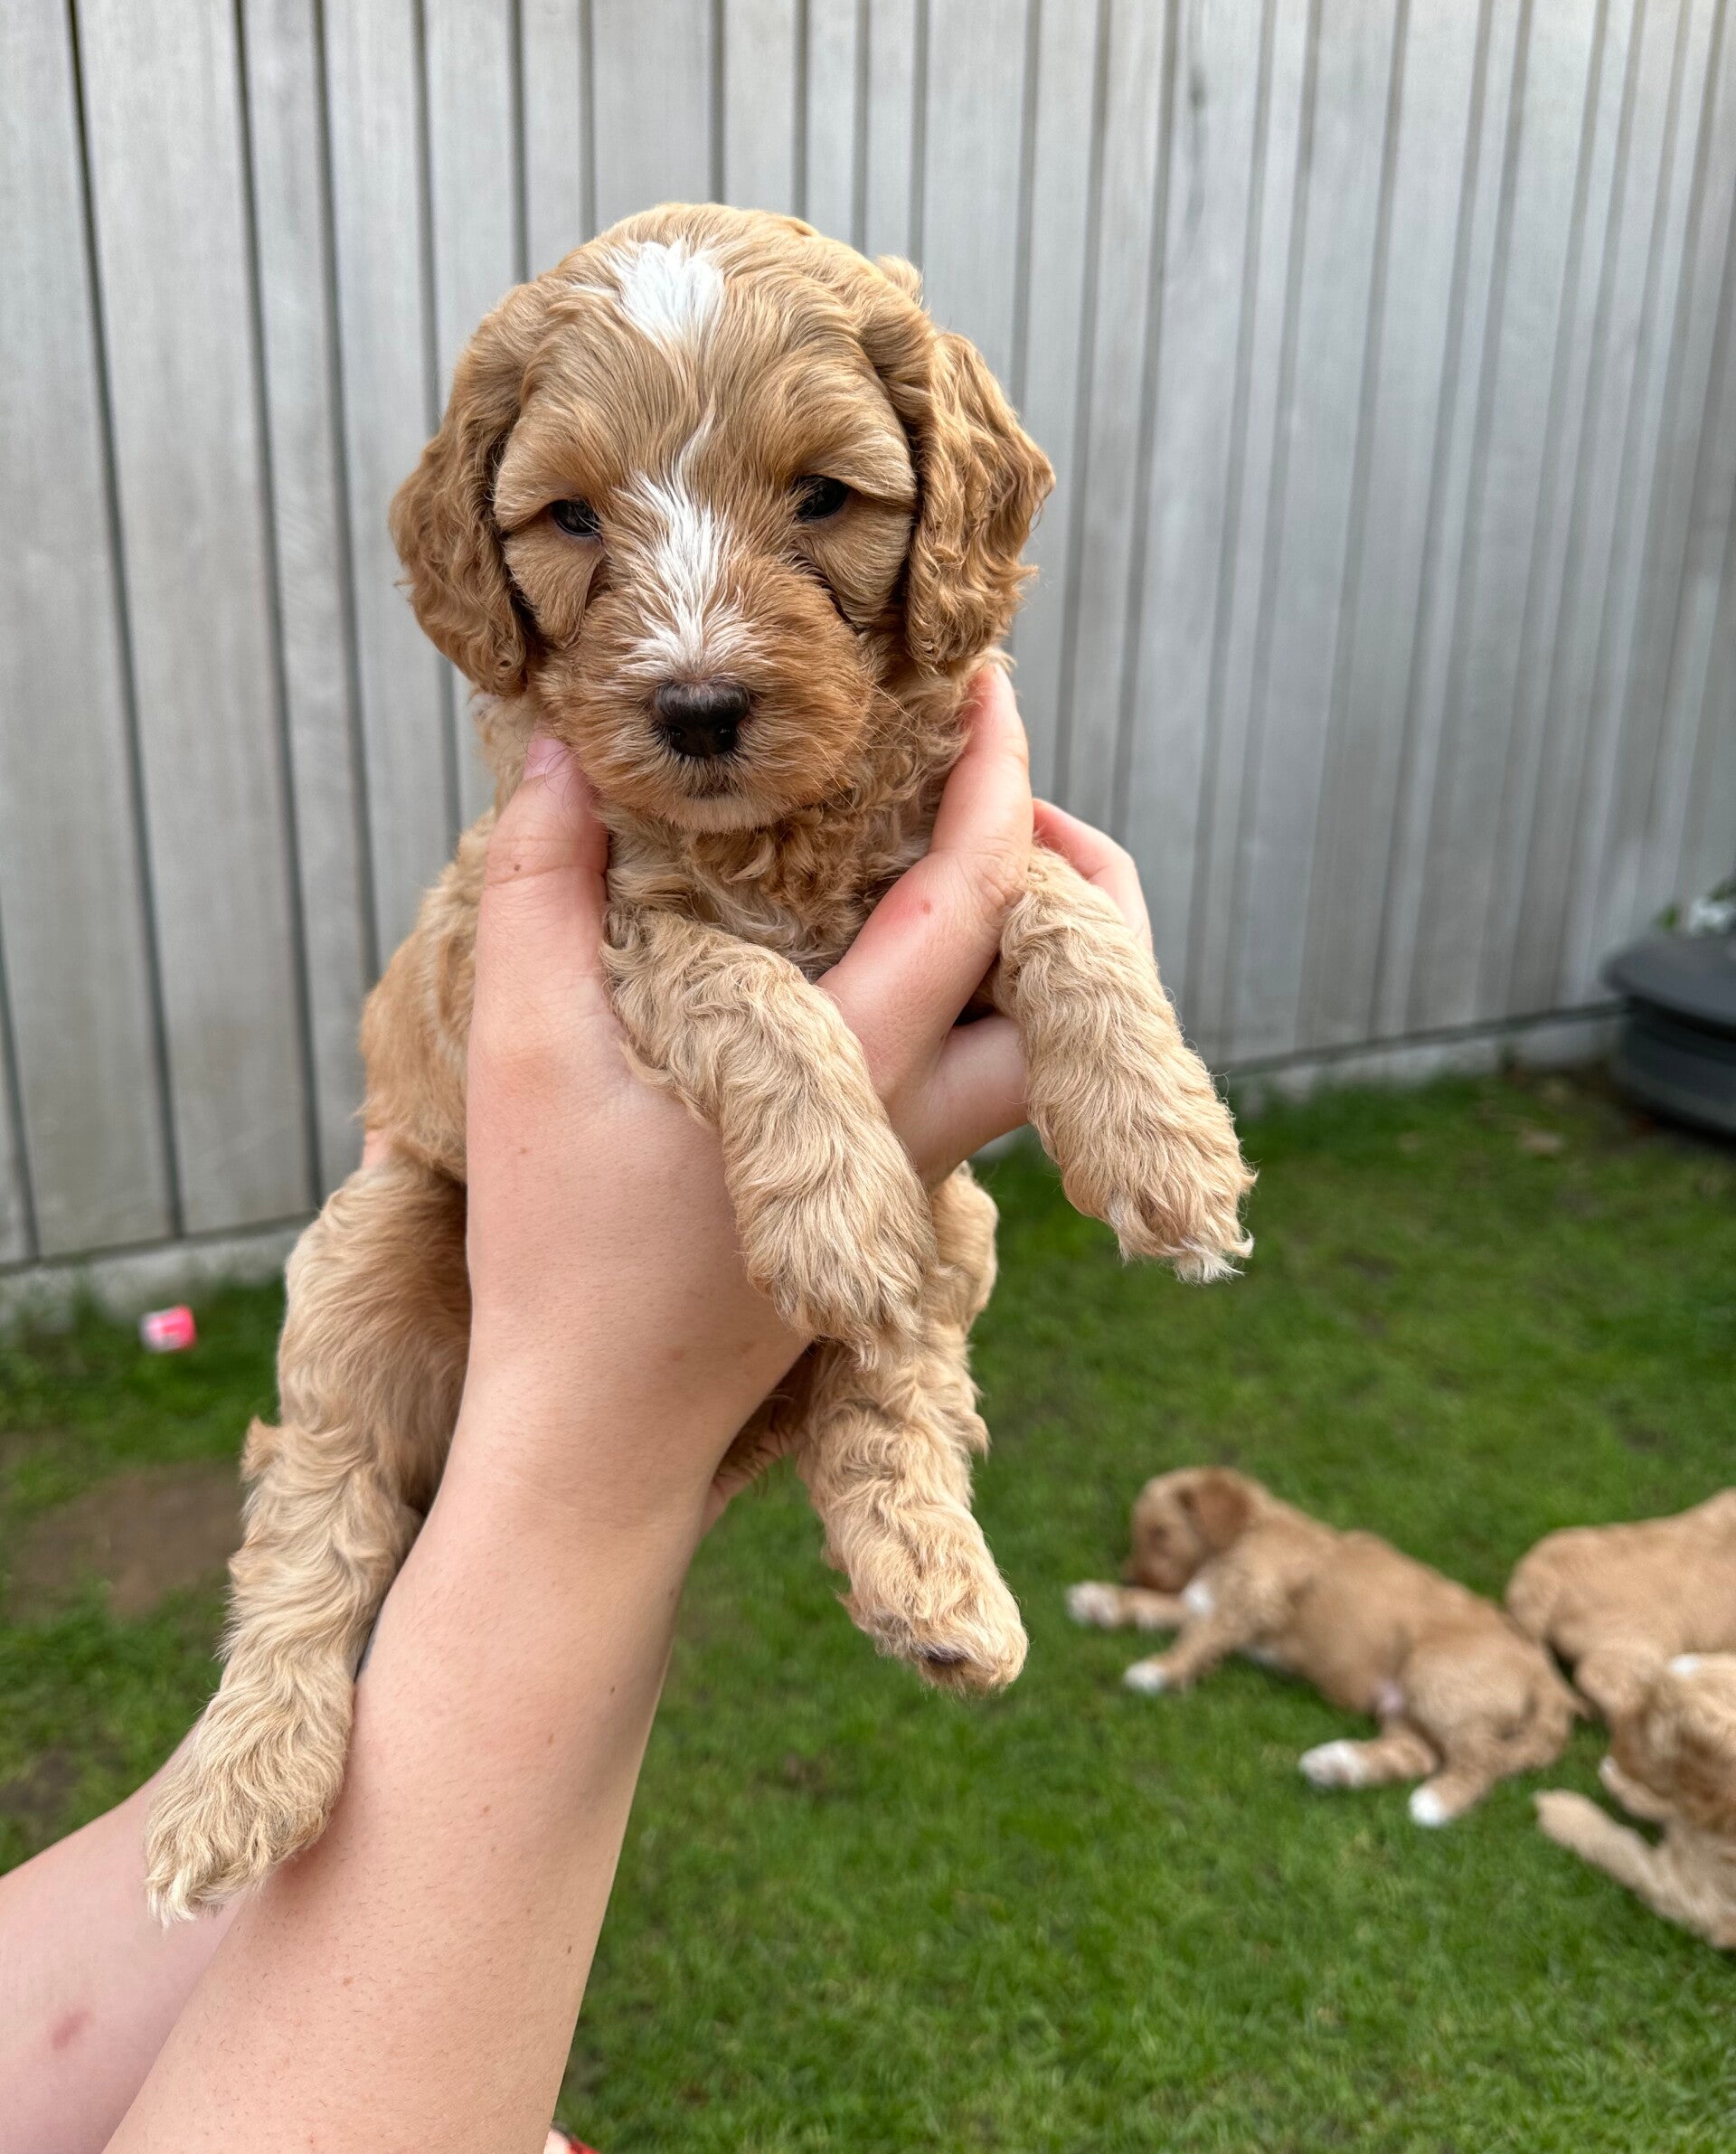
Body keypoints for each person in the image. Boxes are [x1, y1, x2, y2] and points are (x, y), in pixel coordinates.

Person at [0, 670, 1151, 2152]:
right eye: (590, 553)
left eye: (816, 537)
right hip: (450, 1246)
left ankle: (898, 1479)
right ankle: (278, 1678)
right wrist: (599, 1442)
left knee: (938, 1232)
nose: (693, 647)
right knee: (353, 1316)